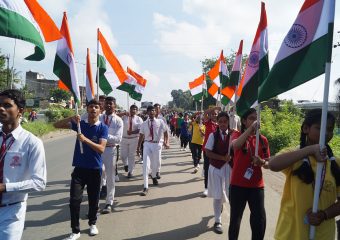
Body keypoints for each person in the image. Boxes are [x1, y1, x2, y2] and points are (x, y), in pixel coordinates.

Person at [267, 109, 340, 240]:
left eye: (330, 129)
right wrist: (310, 150)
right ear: (306, 128)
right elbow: (272, 164)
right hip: (290, 234)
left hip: (323, 235)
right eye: (320, 128)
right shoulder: (294, 155)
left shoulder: (336, 163)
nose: (326, 133)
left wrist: (324, 214)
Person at [54, 99, 108, 240]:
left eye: (96, 107)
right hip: (79, 170)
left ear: (100, 110)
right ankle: (75, 230)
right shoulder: (80, 125)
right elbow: (56, 125)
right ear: (87, 109)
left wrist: (85, 140)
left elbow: (101, 149)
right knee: (74, 201)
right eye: (91, 107)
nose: (93, 109)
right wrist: (71, 118)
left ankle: (92, 223)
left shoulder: (103, 127)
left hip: (95, 169)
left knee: (93, 200)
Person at [0, 89, 46, 240]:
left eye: (7, 105)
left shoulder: (32, 143)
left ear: (20, 111)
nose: (1, 108)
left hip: (11, 212)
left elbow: (39, 183)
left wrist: (5, 187)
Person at [228, 108, 270, 240]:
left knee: (259, 220)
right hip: (237, 185)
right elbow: (235, 146)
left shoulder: (263, 140)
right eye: (252, 118)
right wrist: (250, 130)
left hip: (257, 186)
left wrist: (261, 162)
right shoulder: (236, 135)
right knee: (235, 219)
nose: (256, 120)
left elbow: (268, 162)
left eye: (257, 118)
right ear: (244, 121)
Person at [205, 111, 232, 234]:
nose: (222, 124)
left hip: (229, 168)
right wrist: (222, 158)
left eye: (225, 121)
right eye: (220, 121)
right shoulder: (213, 135)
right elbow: (208, 152)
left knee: (227, 192)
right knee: (217, 194)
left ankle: (220, 206)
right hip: (216, 168)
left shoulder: (234, 135)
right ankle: (218, 221)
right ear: (217, 122)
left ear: (228, 122)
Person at [137, 105, 169, 196]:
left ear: (155, 112)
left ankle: (154, 176)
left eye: (153, 111)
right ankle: (145, 187)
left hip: (157, 144)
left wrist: (167, 142)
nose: (151, 112)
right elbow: (141, 136)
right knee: (145, 165)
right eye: (150, 111)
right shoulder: (144, 123)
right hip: (147, 144)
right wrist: (138, 147)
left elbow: (166, 132)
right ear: (147, 112)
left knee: (156, 164)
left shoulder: (160, 122)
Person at [99, 97, 123, 214]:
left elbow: (118, 139)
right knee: (98, 174)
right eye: (106, 103)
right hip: (98, 149)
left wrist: (103, 136)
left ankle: (109, 202)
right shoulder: (99, 118)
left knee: (110, 177)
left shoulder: (118, 121)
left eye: (110, 104)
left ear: (114, 105)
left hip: (110, 150)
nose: (108, 106)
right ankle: (95, 203)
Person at [120, 105, 143, 178]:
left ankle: (130, 171)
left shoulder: (139, 119)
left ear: (137, 110)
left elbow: (140, 129)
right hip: (124, 138)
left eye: (135, 109)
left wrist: (132, 132)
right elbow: (114, 116)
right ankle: (125, 164)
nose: (134, 110)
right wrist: (123, 113)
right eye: (132, 109)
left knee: (131, 155)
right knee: (123, 156)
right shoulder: (124, 117)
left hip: (134, 138)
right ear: (130, 109)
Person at [202, 107, 219, 197]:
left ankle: (215, 187)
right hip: (207, 150)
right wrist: (215, 108)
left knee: (216, 170)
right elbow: (205, 112)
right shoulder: (207, 123)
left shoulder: (220, 124)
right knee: (207, 169)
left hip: (217, 151)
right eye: (212, 114)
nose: (214, 115)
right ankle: (206, 188)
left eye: (216, 114)